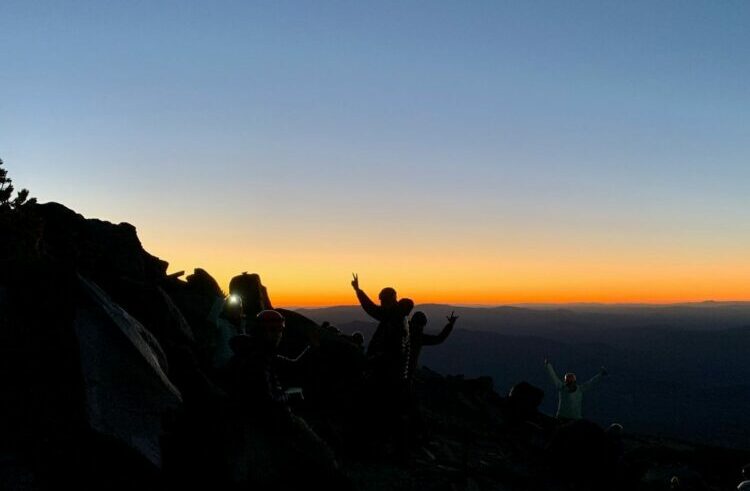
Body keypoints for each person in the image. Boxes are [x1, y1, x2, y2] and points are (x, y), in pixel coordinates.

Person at [226, 310, 347, 489]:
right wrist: (290, 397)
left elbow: (292, 365)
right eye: (273, 330)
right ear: (261, 332)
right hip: (270, 424)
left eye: (279, 330)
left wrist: (310, 348)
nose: (277, 335)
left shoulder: (260, 354)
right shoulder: (256, 359)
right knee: (321, 454)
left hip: (266, 421)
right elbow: (265, 400)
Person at [407, 310, 458, 380]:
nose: (421, 327)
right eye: (420, 324)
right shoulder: (418, 338)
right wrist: (450, 324)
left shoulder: (404, 331)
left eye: (422, 325)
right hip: (408, 371)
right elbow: (439, 339)